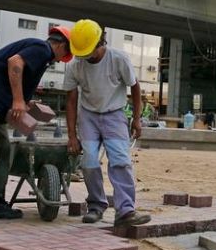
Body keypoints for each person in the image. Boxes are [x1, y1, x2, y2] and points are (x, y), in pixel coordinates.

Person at [0, 25, 73, 231]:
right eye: (65, 54)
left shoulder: (41, 56)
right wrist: (18, 100)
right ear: (61, 45)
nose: (59, 60)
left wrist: (25, 102)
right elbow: (15, 62)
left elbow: (19, 75)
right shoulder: (42, 48)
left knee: (3, 151)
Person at [64, 20, 151, 228]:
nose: (85, 57)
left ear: (100, 43)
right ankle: (96, 206)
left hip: (114, 114)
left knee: (120, 160)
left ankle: (126, 211)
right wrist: (71, 135)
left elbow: (135, 87)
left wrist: (137, 119)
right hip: (88, 116)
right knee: (89, 161)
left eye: (88, 52)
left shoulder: (118, 59)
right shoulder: (75, 65)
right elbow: (71, 100)